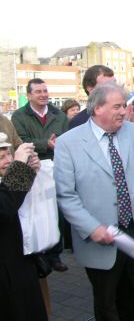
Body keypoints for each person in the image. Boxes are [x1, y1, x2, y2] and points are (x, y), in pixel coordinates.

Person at [54, 83, 134, 321]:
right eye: (117, 106)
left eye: (125, 105)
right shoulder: (68, 143)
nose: (123, 111)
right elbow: (66, 195)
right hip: (101, 235)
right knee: (109, 303)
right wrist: (92, 228)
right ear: (97, 109)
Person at [11, 77, 69, 272]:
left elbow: (66, 137)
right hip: (33, 168)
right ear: (28, 95)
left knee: (57, 210)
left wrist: (58, 143)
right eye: (38, 92)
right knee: (37, 210)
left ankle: (55, 254)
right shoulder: (19, 116)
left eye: (45, 91)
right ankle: (37, 252)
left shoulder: (59, 114)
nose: (44, 95)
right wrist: (47, 144)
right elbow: (22, 141)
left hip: (57, 167)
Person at [0, 136, 47, 321]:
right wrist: (20, 167)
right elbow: (4, 207)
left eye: (9, 155)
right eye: (2, 157)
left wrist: (29, 171)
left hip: (20, 267)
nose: (8, 161)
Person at [69, 65, 115, 129]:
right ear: (90, 89)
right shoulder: (78, 123)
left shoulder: (123, 117)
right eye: (107, 85)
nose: (114, 89)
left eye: (114, 84)